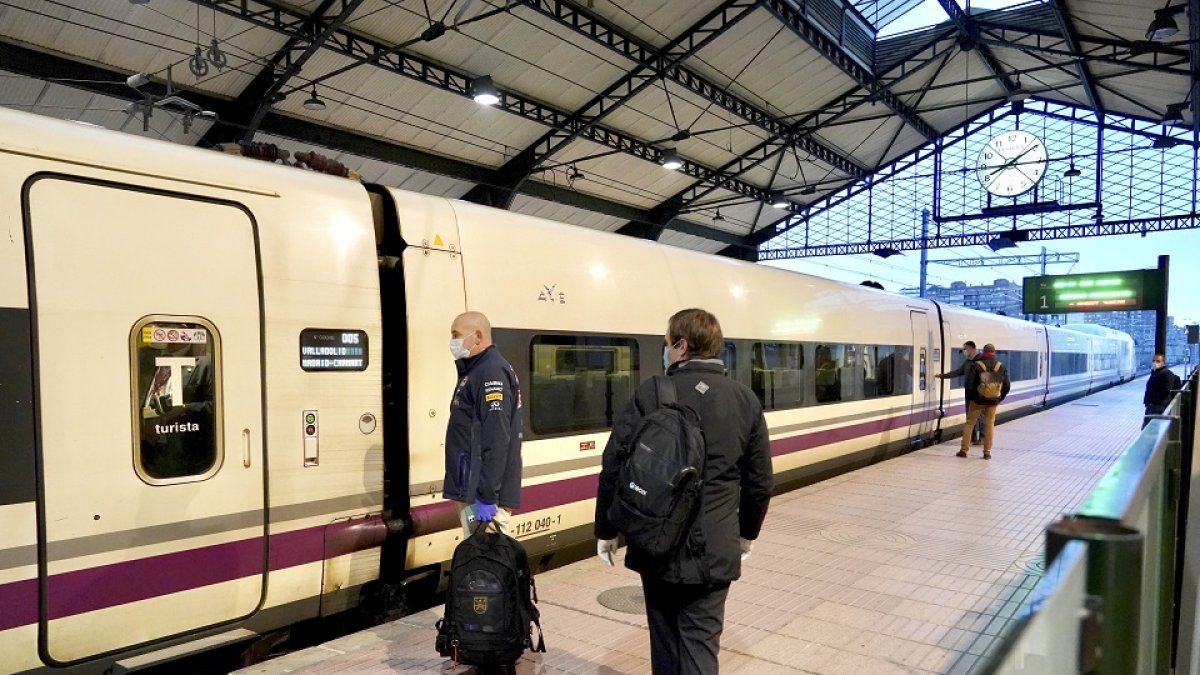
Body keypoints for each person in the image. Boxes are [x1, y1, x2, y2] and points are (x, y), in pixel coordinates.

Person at [595, 308, 773, 674]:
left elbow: (614, 465)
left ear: (681, 346)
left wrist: (607, 529)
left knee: (663, 641)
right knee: (700, 647)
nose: (665, 351)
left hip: (656, 542)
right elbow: (759, 482)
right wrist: (745, 535)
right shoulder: (745, 400)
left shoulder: (653, 393)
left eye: (666, 344)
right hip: (715, 548)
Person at [442, 311, 523, 537]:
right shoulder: (476, 370)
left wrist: (487, 496)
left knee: (487, 561)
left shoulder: (490, 372)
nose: (453, 342)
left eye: (456, 335)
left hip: (482, 495)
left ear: (477, 336)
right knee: (475, 551)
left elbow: (496, 436)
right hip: (471, 490)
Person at [957, 343, 1010, 460]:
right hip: (993, 401)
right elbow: (1007, 386)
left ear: (984, 352)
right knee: (990, 424)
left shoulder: (977, 365)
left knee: (970, 423)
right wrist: (999, 398)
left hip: (977, 401)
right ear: (994, 353)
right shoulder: (1000, 366)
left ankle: (964, 450)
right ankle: (987, 452)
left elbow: (969, 385)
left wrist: (972, 398)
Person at [934, 341, 984, 445]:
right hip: (969, 393)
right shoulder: (967, 362)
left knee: (980, 416)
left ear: (971, 348)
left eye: (965, 349)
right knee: (970, 416)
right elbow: (957, 372)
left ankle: (982, 438)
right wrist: (942, 376)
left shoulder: (981, 361)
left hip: (979, 393)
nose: (964, 351)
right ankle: (973, 438)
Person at [1143, 353, 1181, 423]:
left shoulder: (1166, 374)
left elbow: (1166, 391)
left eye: (1158, 361)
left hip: (1157, 408)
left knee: (1149, 430)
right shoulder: (1156, 373)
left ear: (1163, 363)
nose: (1155, 363)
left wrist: (1153, 403)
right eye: (1154, 361)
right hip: (1153, 407)